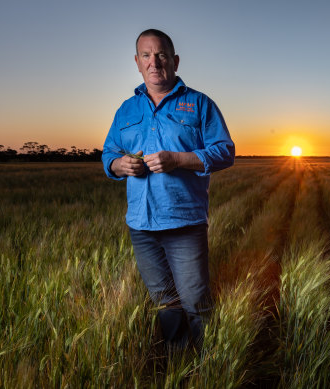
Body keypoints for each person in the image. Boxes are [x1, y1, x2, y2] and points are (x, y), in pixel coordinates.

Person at [102, 29, 235, 350]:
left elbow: (225, 152)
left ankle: (210, 366)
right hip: (141, 225)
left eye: (161, 55)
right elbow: (108, 154)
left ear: (174, 60)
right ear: (137, 62)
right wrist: (120, 165)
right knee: (165, 303)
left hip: (184, 224)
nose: (154, 62)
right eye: (146, 55)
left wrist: (178, 159)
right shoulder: (126, 110)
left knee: (195, 301)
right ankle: (179, 361)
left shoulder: (199, 104)